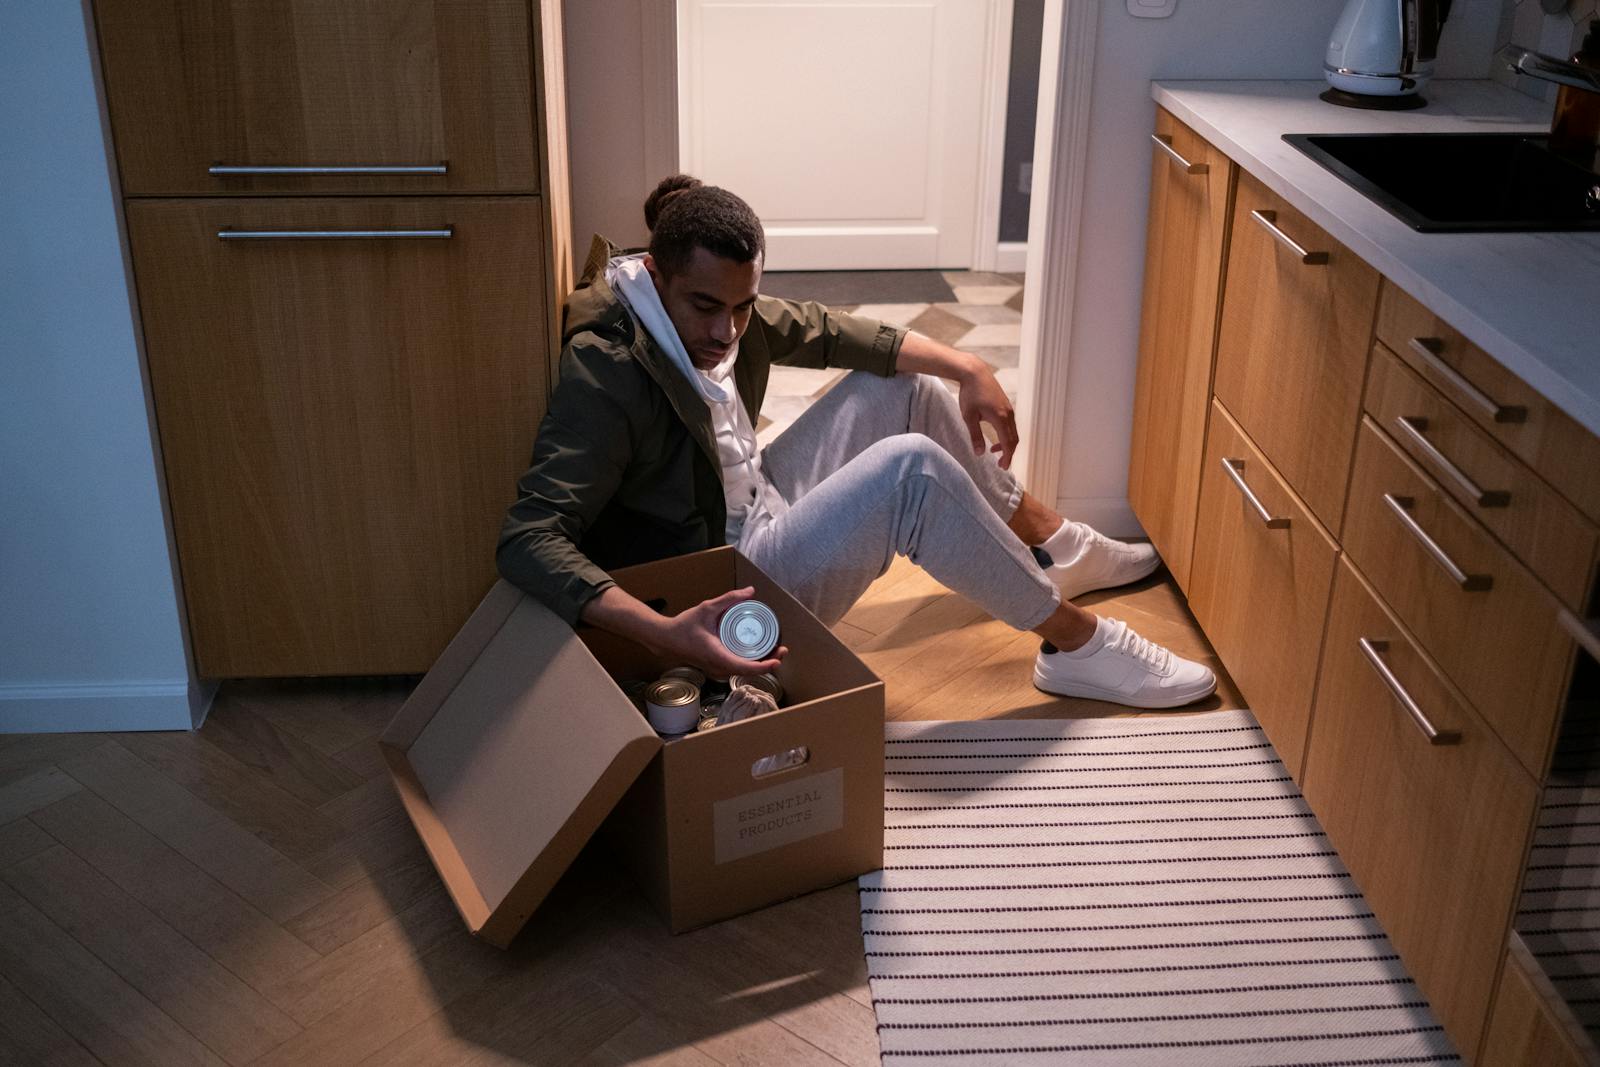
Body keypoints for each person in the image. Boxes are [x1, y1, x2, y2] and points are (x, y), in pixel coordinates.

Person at [497, 175, 1216, 709]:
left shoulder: (713, 304)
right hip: (725, 588)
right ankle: (1077, 642)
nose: (727, 333)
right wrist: (662, 631)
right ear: (656, 275)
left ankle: (1054, 547)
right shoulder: (608, 368)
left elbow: (829, 330)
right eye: (707, 308)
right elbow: (529, 536)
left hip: (758, 507)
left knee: (905, 389)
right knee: (910, 474)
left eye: (743, 308)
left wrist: (968, 365)